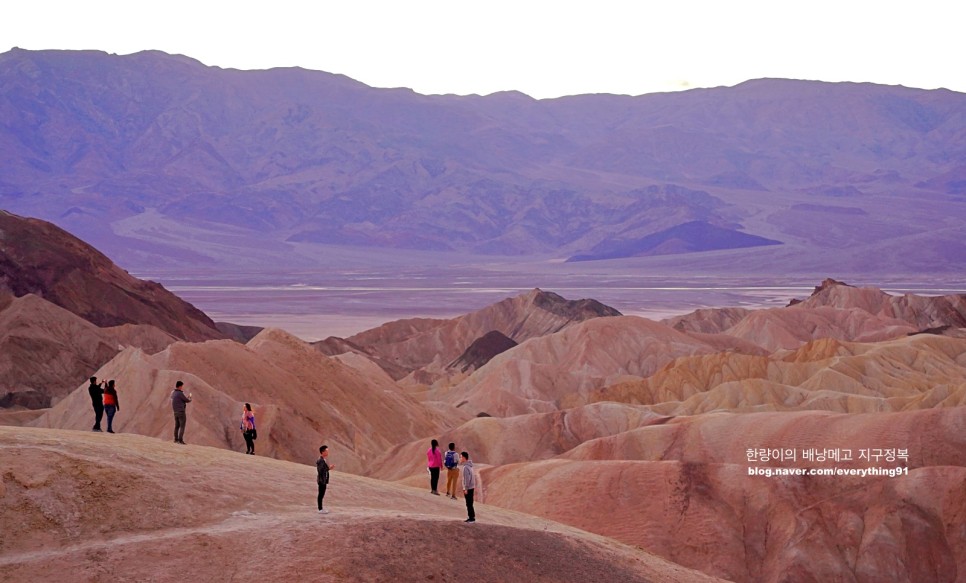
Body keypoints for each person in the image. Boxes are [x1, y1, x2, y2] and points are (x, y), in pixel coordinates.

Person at [317, 445, 335, 514]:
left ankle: (321, 508)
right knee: (321, 494)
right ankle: (320, 509)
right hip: (322, 480)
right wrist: (329, 468)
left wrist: (328, 468)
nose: (327, 452)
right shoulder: (320, 460)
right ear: (323, 452)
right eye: (326, 451)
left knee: (322, 494)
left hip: (323, 480)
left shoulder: (323, 460)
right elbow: (321, 470)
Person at [460, 451, 477, 523]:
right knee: (470, 503)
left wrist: (466, 488)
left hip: (468, 488)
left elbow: (467, 479)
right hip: (471, 487)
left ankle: (471, 518)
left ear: (464, 458)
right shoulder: (470, 466)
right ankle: (471, 516)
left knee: (468, 503)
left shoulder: (465, 467)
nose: (460, 459)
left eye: (461, 457)